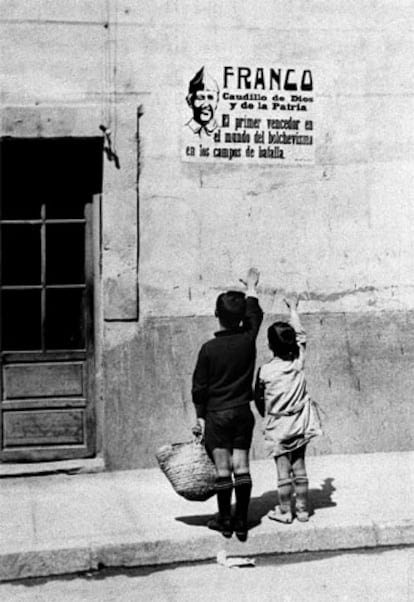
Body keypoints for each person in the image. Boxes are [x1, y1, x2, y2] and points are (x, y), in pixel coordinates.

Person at [192, 268, 263, 541]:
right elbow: (255, 316)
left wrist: (200, 417)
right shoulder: (248, 341)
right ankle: (242, 522)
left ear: (215, 314)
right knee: (242, 467)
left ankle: (224, 521)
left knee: (223, 471)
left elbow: (199, 388)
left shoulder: (208, 349)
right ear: (240, 318)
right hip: (243, 413)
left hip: (217, 415)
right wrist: (252, 289)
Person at [254, 296, 322, 523]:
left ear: (270, 345)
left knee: (283, 471)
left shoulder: (264, 371)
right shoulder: (297, 364)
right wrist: (293, 310)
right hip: (301, 423)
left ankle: (285, 511)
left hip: (278, 426)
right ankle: (302, 510)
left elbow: (258, 399)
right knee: (299, 465)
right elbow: (302, 337)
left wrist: (268, 414)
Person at [186, 66, 219, 137]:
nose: (206, 104)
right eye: (200, 98)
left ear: (217, 101)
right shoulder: (182, 132)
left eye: (210, 98)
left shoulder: (224, 132)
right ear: (190, 101)